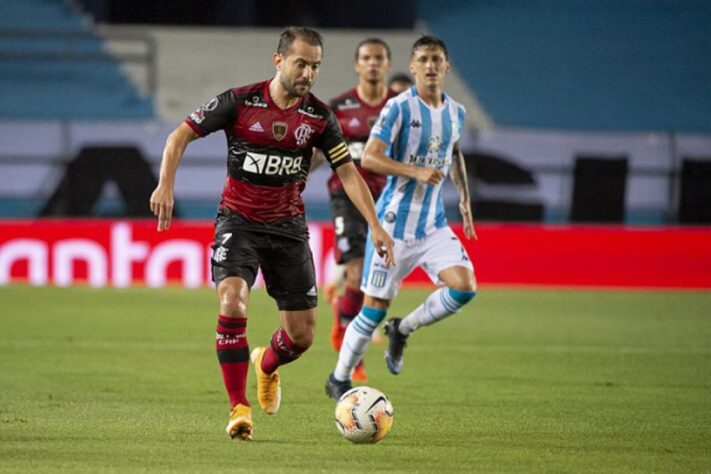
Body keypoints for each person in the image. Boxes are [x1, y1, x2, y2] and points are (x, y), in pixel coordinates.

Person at [149, 27, 394, 441]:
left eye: (315, 65)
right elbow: (179, 136)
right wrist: (165, 184)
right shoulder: (239, 101)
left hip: (288, 230)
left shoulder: (318, 117)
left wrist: (374, 225)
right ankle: (238, 408)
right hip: (238, 222)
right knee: (232, 300)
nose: (309, 73)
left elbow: (347, 172)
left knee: (302, 337)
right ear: (278, 60)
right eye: (301, 63)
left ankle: (266, 365)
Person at [325, 35, 478, 400]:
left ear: (446, 66)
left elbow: (454, 154)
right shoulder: (398, 108)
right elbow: (371, 158)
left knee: (464, 287)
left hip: (433, 225)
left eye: (436, 59)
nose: (429, 65)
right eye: (422, 59)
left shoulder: (456, 112)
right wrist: (414, 171)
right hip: (393, 225)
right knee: (372, 309)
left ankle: (403, 329)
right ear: (412, 66)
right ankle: (339, 377)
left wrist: (465, 201)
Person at [323, 38, 397, 383]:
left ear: (387, 63)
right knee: (355, 273)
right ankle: (352, 353)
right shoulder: (338, 107)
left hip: (390, 201)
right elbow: (316, 153)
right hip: (348, 198)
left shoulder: (401, 107)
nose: (372, 63)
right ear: (357, 65)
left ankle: (343, 318)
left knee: (375, 283)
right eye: (366, 58)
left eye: (378, 58)